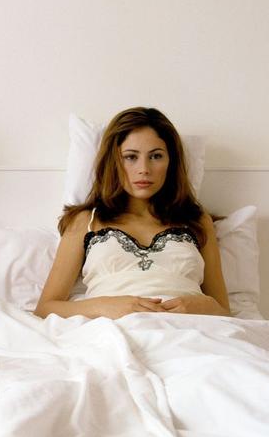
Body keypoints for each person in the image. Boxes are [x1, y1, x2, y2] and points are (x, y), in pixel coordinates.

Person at [35, 107, 230, 320]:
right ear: (114, 162)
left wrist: (202, 306)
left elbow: (224, 311)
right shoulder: (86, 221)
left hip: (191, 329)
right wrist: (104, 306)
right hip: (111, 329)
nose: (144, 169)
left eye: (156, 156)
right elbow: (45, 308)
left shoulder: (197, 221)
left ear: (171, 162)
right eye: (131, 157)